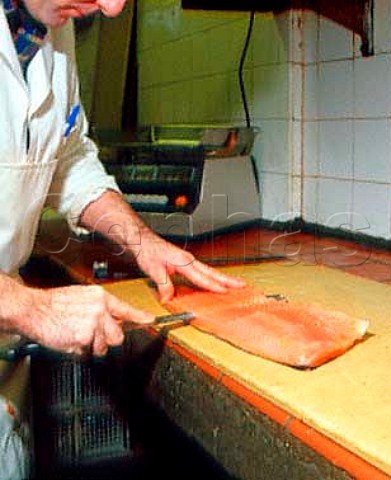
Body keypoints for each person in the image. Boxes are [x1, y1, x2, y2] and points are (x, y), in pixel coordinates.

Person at [0, 0, 245, 477]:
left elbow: (68, 159)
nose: (111, 9)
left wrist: (141, 239)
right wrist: (31, 306)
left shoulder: (51, 25)